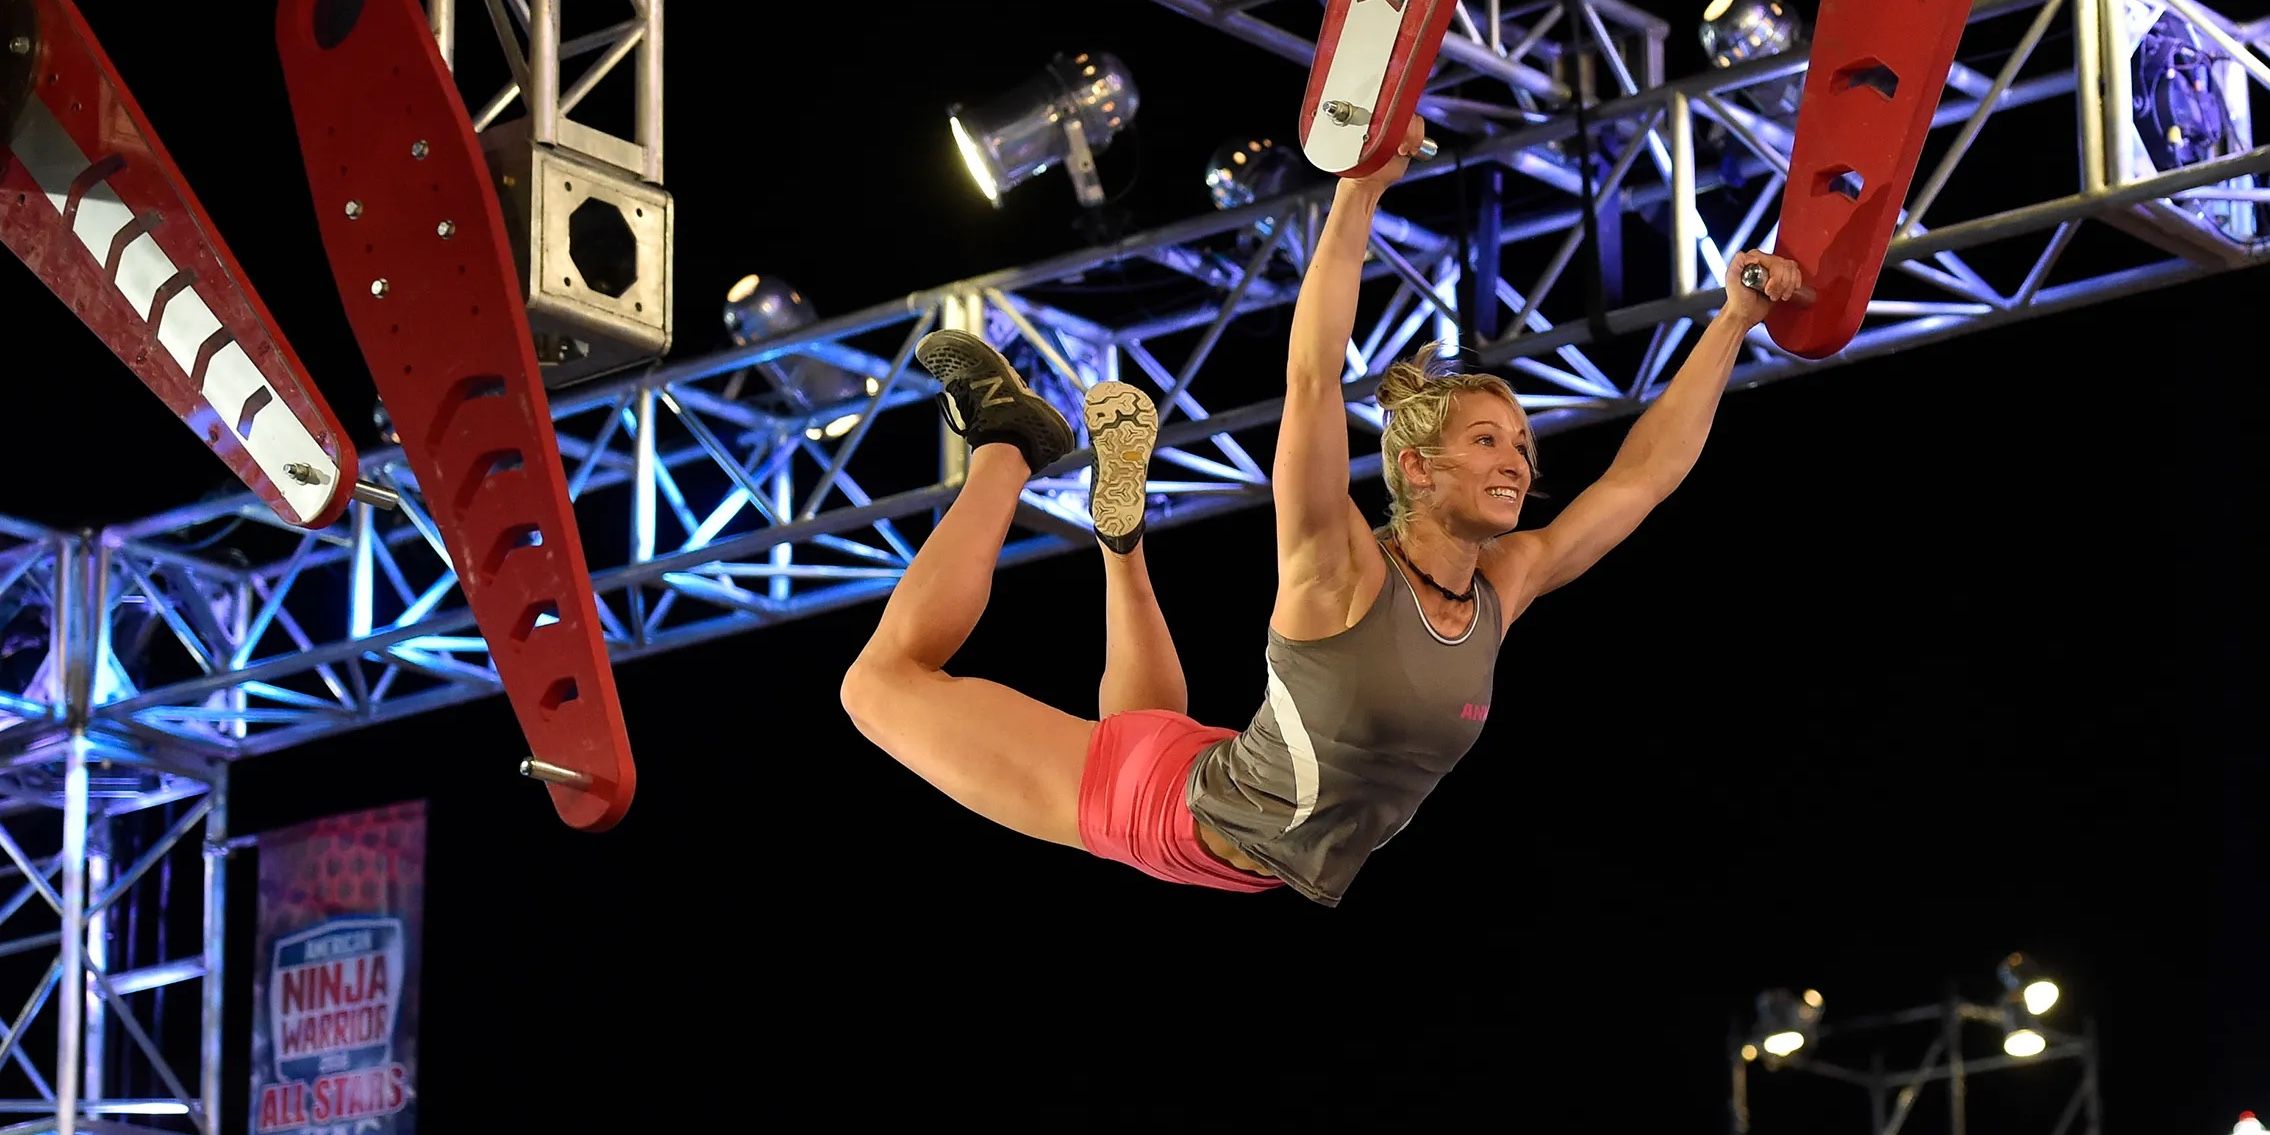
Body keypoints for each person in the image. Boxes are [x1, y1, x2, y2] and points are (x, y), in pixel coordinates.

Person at [838, 117, 1805, 906]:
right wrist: (1359, 188)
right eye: (1487, 441)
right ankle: (1010, 447)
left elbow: (1640, 478)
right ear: (1416, 469)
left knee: (1144, 730)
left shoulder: (1505, 584)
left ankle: (1120, 543)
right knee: (876, 687)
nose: (1517, 459)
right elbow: (1311, 377)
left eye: (1522, 445)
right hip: (1174, 816)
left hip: (1200, 773)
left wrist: (1733, 322)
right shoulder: (1337, 563)